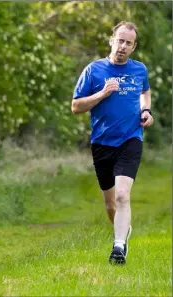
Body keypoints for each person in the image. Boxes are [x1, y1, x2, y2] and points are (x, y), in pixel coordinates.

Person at [72, 21, 154, 265]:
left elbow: (144, 92)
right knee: (110, 205)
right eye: (120, 40)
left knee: (122, 195)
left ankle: (118, 247)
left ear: (133, 46)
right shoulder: (94, 70)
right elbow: (76, 106)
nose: (123, 46)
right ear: (112, 41)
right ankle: (122, 230)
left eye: (128, 43)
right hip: (102, 143)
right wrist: (102, 94)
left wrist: (146, 110)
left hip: (131, 139)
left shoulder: (140, 70)